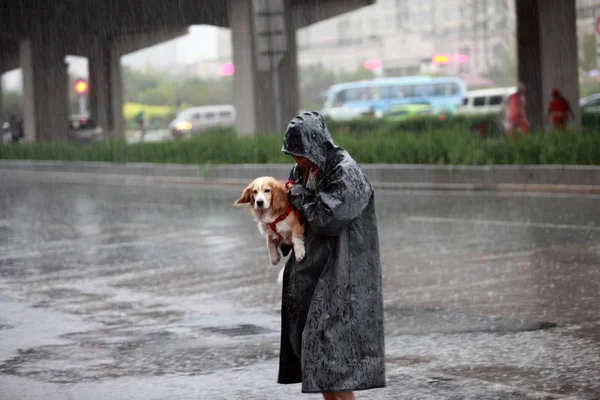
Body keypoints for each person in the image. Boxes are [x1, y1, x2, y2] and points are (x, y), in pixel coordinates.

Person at [277, 112, 386, 399]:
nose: (296, 161)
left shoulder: (344, 171)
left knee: (334, 362)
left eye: (299, 153)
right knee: (322, 363)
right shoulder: (301, 172)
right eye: (293, 154)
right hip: (315, 274)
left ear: (315, 144)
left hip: (344, 276)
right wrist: (283, 236)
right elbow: (295, 216)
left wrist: (298, 195)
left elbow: (328, 218)